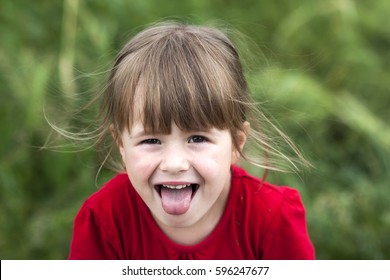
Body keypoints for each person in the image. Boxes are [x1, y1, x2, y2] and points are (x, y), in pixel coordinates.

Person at [66, 21, 315, 259]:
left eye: (197, 138)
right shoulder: (104, 220)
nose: (174, 164)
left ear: (236, 143)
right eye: (151, 141)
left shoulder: (271, 218)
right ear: (121, 144)